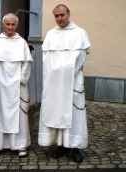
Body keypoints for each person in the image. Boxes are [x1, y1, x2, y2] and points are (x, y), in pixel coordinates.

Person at [38, 4, 91, 163]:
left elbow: (80, 57)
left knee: (73, 116)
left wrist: (66, 74)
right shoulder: (50, 34)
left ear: (68, 14)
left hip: (72, 81)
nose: (59, 18)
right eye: (56, 16)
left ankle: (74, 148)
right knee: (57, 112)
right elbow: (46, 59)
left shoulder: (80, 33)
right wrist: (55, 76)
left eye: (62, 15)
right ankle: (62, 145)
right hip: (54, 83)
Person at [0, 13, 33, 158]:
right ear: (3, 25)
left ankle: (19, 145)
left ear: (17, 25)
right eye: (7, 24)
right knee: (0, 113)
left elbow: (27, 62)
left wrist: (20, 78)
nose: (10, 27)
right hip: (1, 86)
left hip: (18, 86)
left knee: (19, 115)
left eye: (13, 24)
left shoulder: (22, 43)